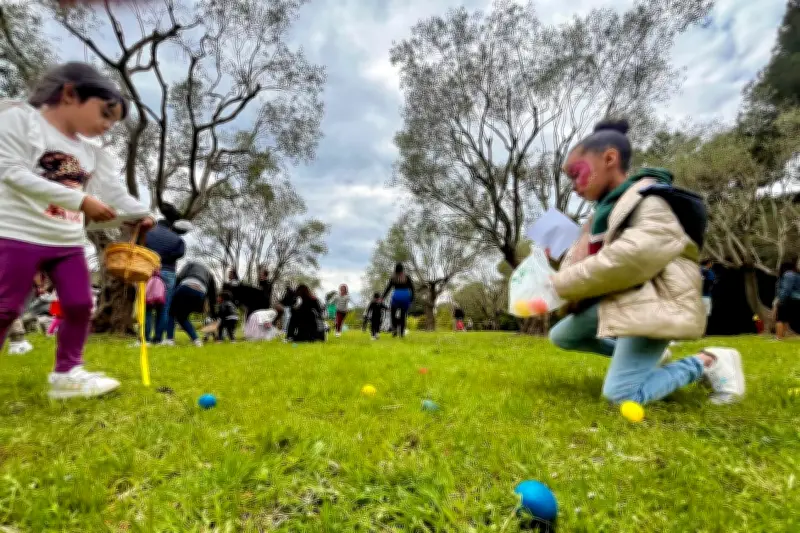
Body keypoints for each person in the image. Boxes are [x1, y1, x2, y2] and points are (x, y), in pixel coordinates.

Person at [548, 118, 744, 406]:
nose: (574, 186)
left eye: (577, 174)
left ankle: (708, 361)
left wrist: (557, 284)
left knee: (620, 397)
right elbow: (588, 266)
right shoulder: (600, 215)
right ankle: (651, 358)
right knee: (562, 335)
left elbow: (632, 258)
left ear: (610, 159)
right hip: (624, 300)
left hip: (655, 303)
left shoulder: (650, 200)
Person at [0, 62, 154, 398]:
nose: (107, 125)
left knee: (80, 304)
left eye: (113, 122)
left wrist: (140, 215)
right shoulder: (20, 120)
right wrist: (81, 200)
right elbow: (11, 172)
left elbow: (114, 196)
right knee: (6, 307)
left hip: (66, 240)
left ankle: (67, 374)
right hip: (16, 233)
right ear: (70, 93)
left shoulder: (91, 154)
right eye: (105, 113)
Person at [144, 202, 185, 345]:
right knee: (164, 307)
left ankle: (146, 339)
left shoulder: (148, 233)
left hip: (149, 271)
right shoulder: (177, 238)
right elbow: (180, 253)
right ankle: (158, 338)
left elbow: (142, 249)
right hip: (168, 273)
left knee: (147, 305)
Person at [170, 261, 217, 346]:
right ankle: (197, 341)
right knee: (182, 316)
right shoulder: (208, 273)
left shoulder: (189, 265)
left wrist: (174, 294)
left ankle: (169, 339)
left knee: (172, 312)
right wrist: (213, 314)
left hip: (185, 287)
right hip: (200, 293)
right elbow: (212, 294)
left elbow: (179, 277)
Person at [382, 263, 415, 338]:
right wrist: (411, 298)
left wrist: (382, 297)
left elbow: (388, 288)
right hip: (406, 296)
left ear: (395, 269)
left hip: (397, 295)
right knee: (403, 315)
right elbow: (412, 288)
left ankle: (395, 330)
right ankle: (402, 333)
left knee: (392, 314)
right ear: (402, 269)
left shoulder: (393, 278)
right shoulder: (407, 277)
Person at [773, 260, 800, 340]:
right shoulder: (797, 275)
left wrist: (780, 301)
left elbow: (786, 289)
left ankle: (779, 337)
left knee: (780, 319)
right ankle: (783, 336)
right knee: (786, 319)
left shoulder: (788, 274)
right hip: (796, 299)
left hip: (789, 299)